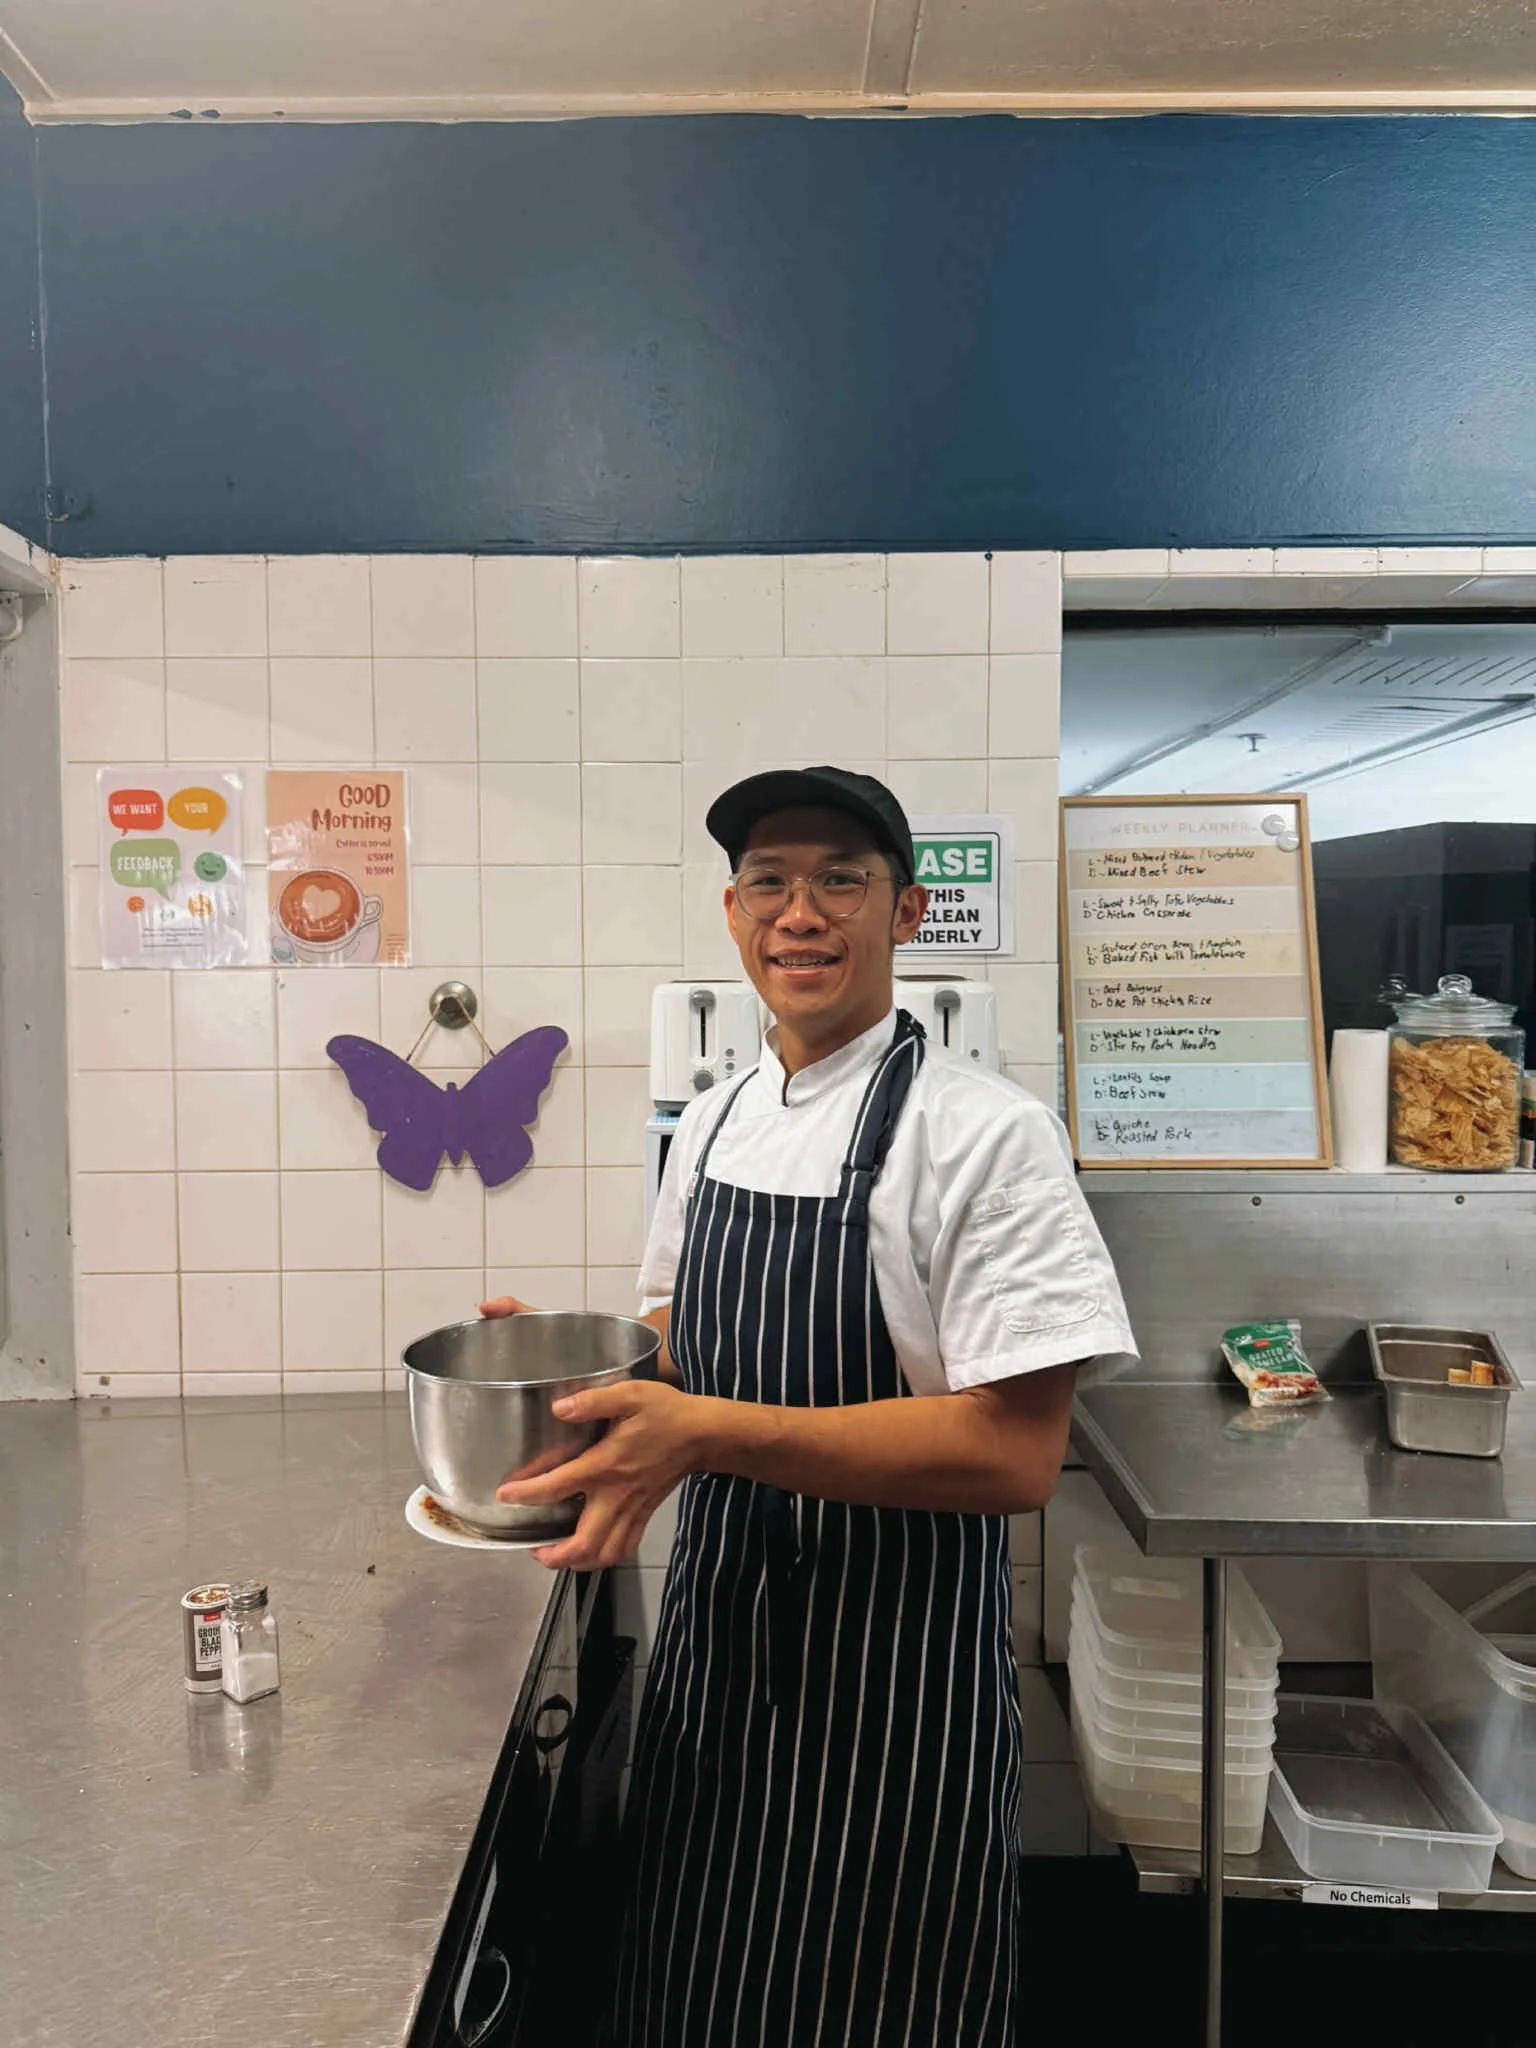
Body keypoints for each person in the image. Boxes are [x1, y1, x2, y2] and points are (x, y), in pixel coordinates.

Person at [481, 765, 1137, 2048]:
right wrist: (576, 1378)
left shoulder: (987, 1134)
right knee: (696, 1983)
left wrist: (711, 1431)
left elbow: (1015, 1449)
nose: (802, 912)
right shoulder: (718, 1115)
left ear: (908, 912)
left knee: (884, 2002)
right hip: (719, 1653)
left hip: (892, 1685)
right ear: (733, 914)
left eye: (843, 878)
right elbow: (679, 1339)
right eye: (770, 882)